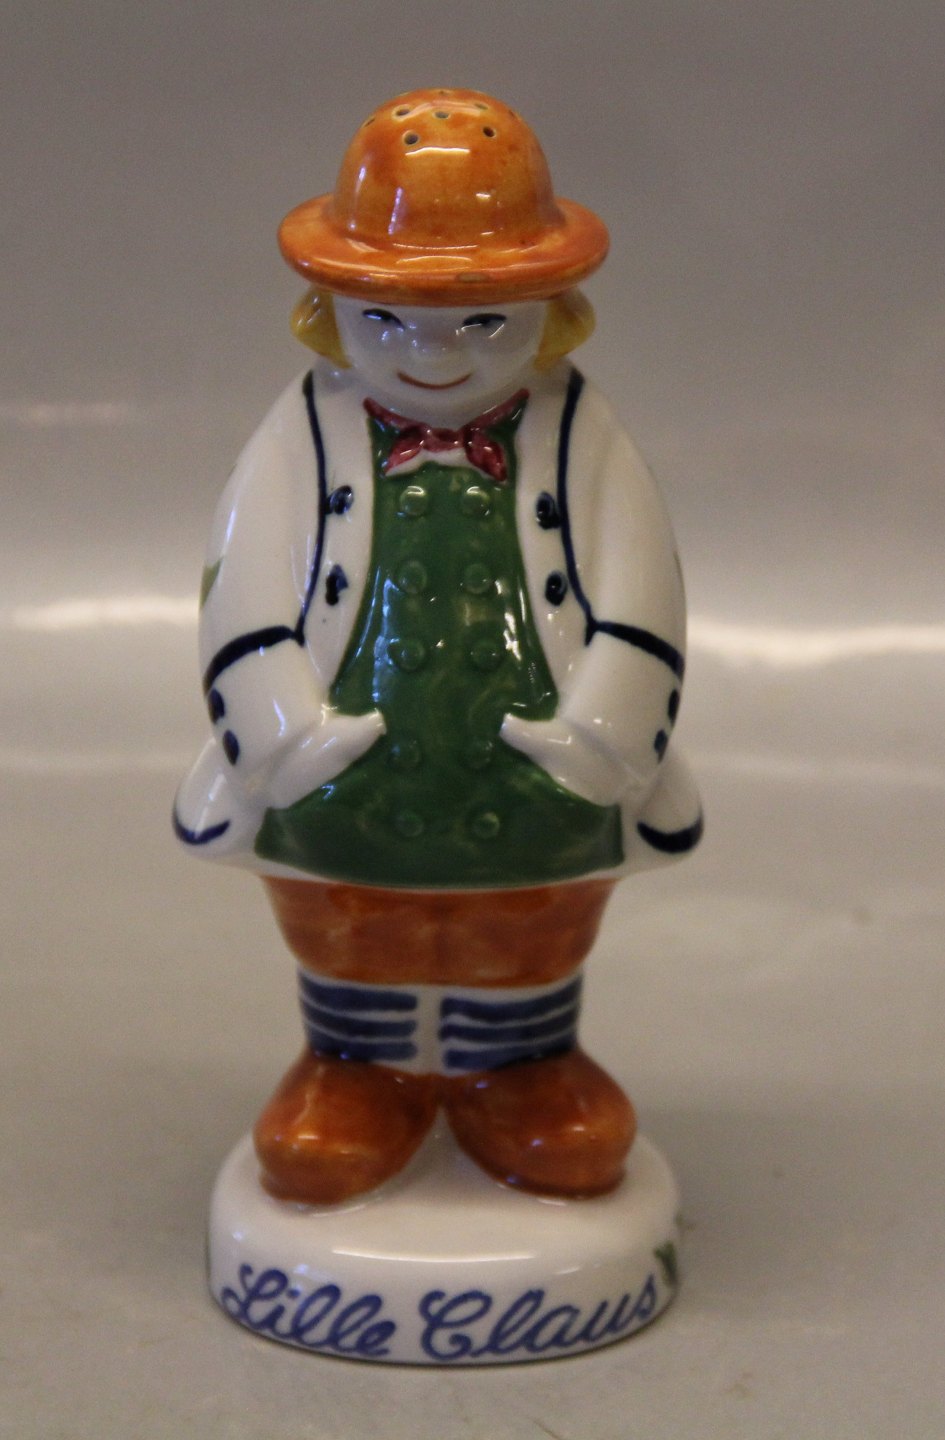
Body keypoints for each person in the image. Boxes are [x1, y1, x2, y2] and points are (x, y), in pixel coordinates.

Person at [175, 87, 702, 1205]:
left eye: (483, 322)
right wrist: (281, 726)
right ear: (330, 308)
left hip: (539, 763)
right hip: (342, 763)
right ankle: (356, 1070)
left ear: (551, 309)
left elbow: (641, 577)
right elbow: (243, 578)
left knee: (531, 919)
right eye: (388, 321)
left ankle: (521, 1069)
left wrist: (608, 726)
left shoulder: (582, 432)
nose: (435, 355)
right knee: (347, 917)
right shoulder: (302, 431)